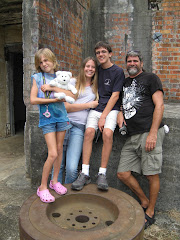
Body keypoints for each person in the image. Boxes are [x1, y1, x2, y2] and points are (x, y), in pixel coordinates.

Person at [117, 50, 165, 229]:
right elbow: (123, 103)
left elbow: (159, 105)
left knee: (151, 174)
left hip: (148, 132)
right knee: (122, 173)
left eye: (135, 60)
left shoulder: (151, 78)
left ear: (141, 63)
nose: (131, 63)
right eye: (129, 61)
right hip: (131, 135)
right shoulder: (125, 82)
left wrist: (153, 133)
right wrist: (121, 114)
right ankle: (144, 201)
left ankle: (151, 212)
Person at [71, 41, 125, 191]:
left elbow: (115, 96)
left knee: (107, 133)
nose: (100, 55)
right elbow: (83, 79)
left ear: (110, 54)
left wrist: (104, 116)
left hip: (111, 109)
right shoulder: (97, 70)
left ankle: (102, 173)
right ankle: (85, 173)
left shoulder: (118, 71)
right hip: (96, 107)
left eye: (103, 52)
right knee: (89, 132)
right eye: (98, 53)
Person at [30, 48, 73, 203]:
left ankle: (54, 182)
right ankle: (42, 187)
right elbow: (33, 100)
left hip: (61, 117)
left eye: (46, 60)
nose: (44, 64)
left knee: (60, 150)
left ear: (53, 60)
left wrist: (53, 89)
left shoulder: (60, 76)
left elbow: (71, 95)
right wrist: (53, 100)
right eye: (41, 62)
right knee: (53, 153)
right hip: (47, 119)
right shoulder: (37, 77)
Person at [50, 57, 99, 183]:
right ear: (83, 68)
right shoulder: (71, 82)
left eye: (93, 67)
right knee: (58, 165)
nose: (90, 69)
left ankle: (68, 198)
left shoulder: (96, 88)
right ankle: (55, 196)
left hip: (79, 128)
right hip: (63, 124)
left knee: (72, 169)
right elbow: (65, 107)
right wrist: (88, 105)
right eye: (87, 66)